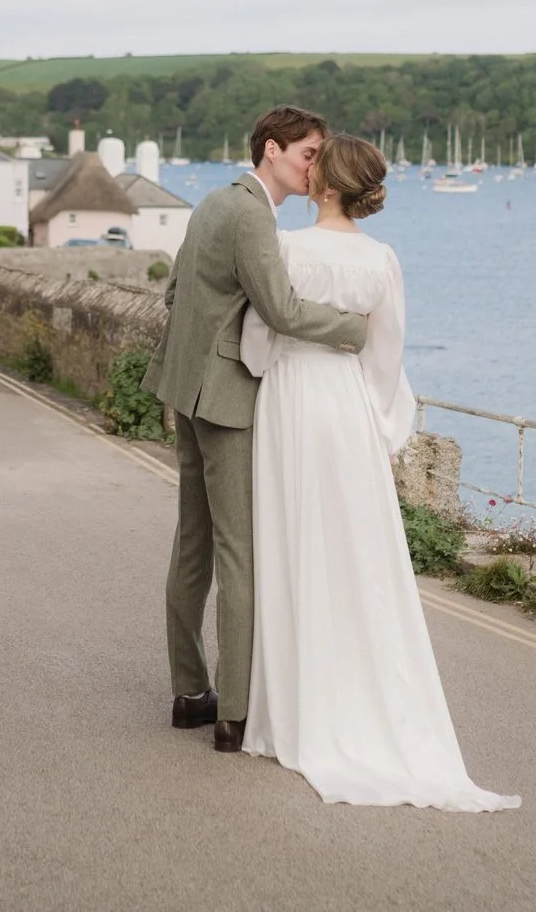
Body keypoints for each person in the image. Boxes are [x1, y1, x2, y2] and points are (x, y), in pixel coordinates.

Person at [238, 134, 518, 811]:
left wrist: (277, 365)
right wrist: (381, 421)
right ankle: (366, 697)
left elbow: (255, 344)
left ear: (324, 185)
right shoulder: (382, 258)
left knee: (292, 542)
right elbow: (386, 356)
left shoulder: (286, 247)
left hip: (292, 401)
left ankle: (294, 710)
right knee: (357, 552)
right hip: (348, 406)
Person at [145, 106, 368, 753]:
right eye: (307, 153)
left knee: (193, 545)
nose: (314, 167)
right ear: (272, 149)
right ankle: (234, 712)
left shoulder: (214, 200)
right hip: (224, 400)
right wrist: (353, 328)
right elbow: (281, 308)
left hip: (185, 390)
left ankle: (190, 692)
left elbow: (174, 291)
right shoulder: (251, 214)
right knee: (237, 552)